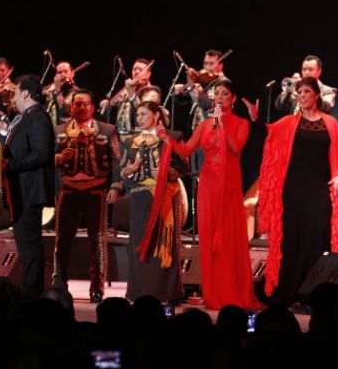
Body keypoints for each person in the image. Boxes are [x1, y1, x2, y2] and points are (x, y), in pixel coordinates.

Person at [170, 80, 263, 310]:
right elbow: (186, 150)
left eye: (225, 93)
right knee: (210, 240)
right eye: (217, 94)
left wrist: (222, 124)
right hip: (208, 188)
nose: (219, 97)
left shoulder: (241, 123)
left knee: (229, 241)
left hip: (230, 188)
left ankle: (232, 291)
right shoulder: (204, 124)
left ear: (233, 98)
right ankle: (214, 293)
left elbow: (235, 147)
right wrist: (166, 139)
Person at [258, 76, 338, 307]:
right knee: (292, 239)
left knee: (317, 237)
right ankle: (288, 292)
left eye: (306, 91)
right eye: (300, 92)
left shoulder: (330, 123)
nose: (302, 96)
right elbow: (268, 134)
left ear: (316, 95)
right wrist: (254, 117)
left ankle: (313, 295)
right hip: (293, 188)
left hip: (319, 187)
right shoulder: (289, 122)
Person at [52, 89, 121, 303]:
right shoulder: (59, 131)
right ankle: (59, 284)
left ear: (92, 107)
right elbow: (46, 160)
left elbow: (117, 161)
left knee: (98, 241)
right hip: (69, 190)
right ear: (71, 107)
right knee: (62, 240)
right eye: (77, 104)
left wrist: (115, 187)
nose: (81, 107)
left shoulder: (108, 130)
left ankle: (97, 288)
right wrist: (59, 157)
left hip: (96, 191)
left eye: (85, 104)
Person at [119, 101, 188, 302]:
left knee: (163, 245)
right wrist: (129, 171)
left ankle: (165, 292)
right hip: (140, 199)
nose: (138, 118)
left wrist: (169, 172)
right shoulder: (131, 141)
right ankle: (140, 293)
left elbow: (184, 167)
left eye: (143, 114)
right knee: (140, 245)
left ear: (156, 116)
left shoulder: (171, 137)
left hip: (165, 196)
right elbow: (123, 172)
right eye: (137, 114)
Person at [0, 75, 55, 299]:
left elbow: (41, 154)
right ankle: (29, 289)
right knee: (25, 242)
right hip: (21, 191)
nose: (12, 97)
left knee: (30, 242)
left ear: (26, 94)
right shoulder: (26, 118)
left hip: (30, 190)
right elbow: (24, 144)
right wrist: (5, 134)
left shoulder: (38, 117)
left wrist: (10, 164)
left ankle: (32, 292)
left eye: (15, 92)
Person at [174, 49, 230, 131]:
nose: (207, 67)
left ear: (220, 66)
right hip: (198, 131)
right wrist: (178, 91)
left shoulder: (225, 84)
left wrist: (191, 83)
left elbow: (205, 103)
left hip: (215, 130)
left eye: (211, 64)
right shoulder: (202, 83)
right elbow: (182, 100)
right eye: (205, 63)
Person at [44, 61, 80, 126]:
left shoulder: (77, 92)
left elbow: (65, 111)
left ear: (72, 73)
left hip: (66, 130)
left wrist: (57, 90)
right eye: (59, 72)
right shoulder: (48, 89)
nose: (62, 75)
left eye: (65, 72)